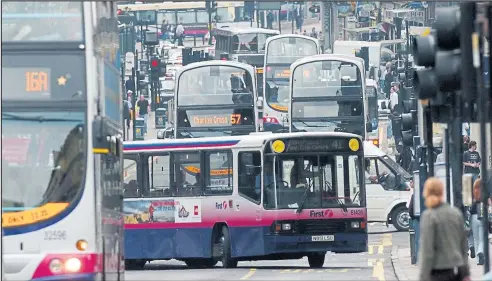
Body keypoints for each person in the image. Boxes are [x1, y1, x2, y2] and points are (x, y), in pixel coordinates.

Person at [419, 177, 470, 281]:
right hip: (457, 270)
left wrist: (423, 277)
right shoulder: (456, 213)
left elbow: (427, 251)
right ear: (442, 192)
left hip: (437, 272)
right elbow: (463, 246)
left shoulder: (429, 216)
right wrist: (466, 273)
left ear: (426, 192)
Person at [468, 178, 485, 265]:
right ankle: (480, 251)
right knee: (482, 239)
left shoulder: (472, 195)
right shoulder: (484, 194)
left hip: (473, 217)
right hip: (482, 216)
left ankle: (478, 260)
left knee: (476, 238)